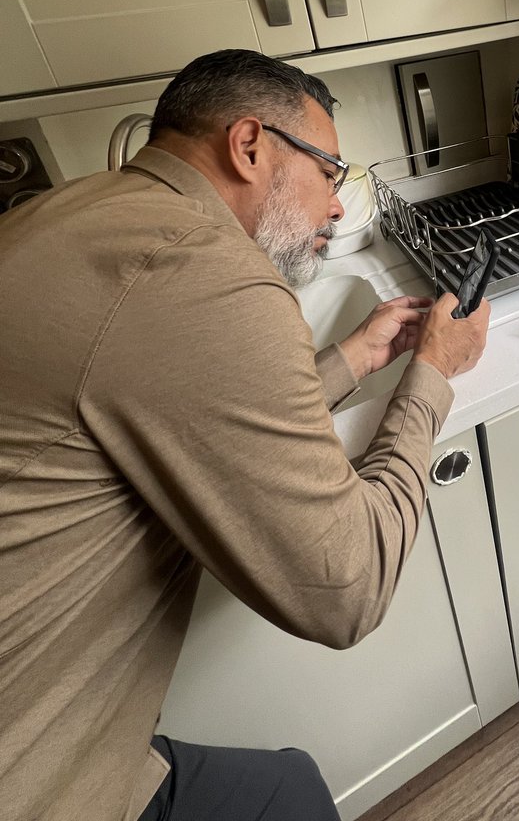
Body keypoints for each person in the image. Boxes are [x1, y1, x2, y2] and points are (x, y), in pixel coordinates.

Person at [0, 49, 490, 821]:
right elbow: (349, 587)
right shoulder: (205, 273)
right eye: (330, 170)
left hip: (77, 738)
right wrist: (435, 372)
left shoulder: (68, 215)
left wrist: (358, 355)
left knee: (286, 789)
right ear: (250, 145)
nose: (336, 206)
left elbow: (184, 407)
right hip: (44, 776)